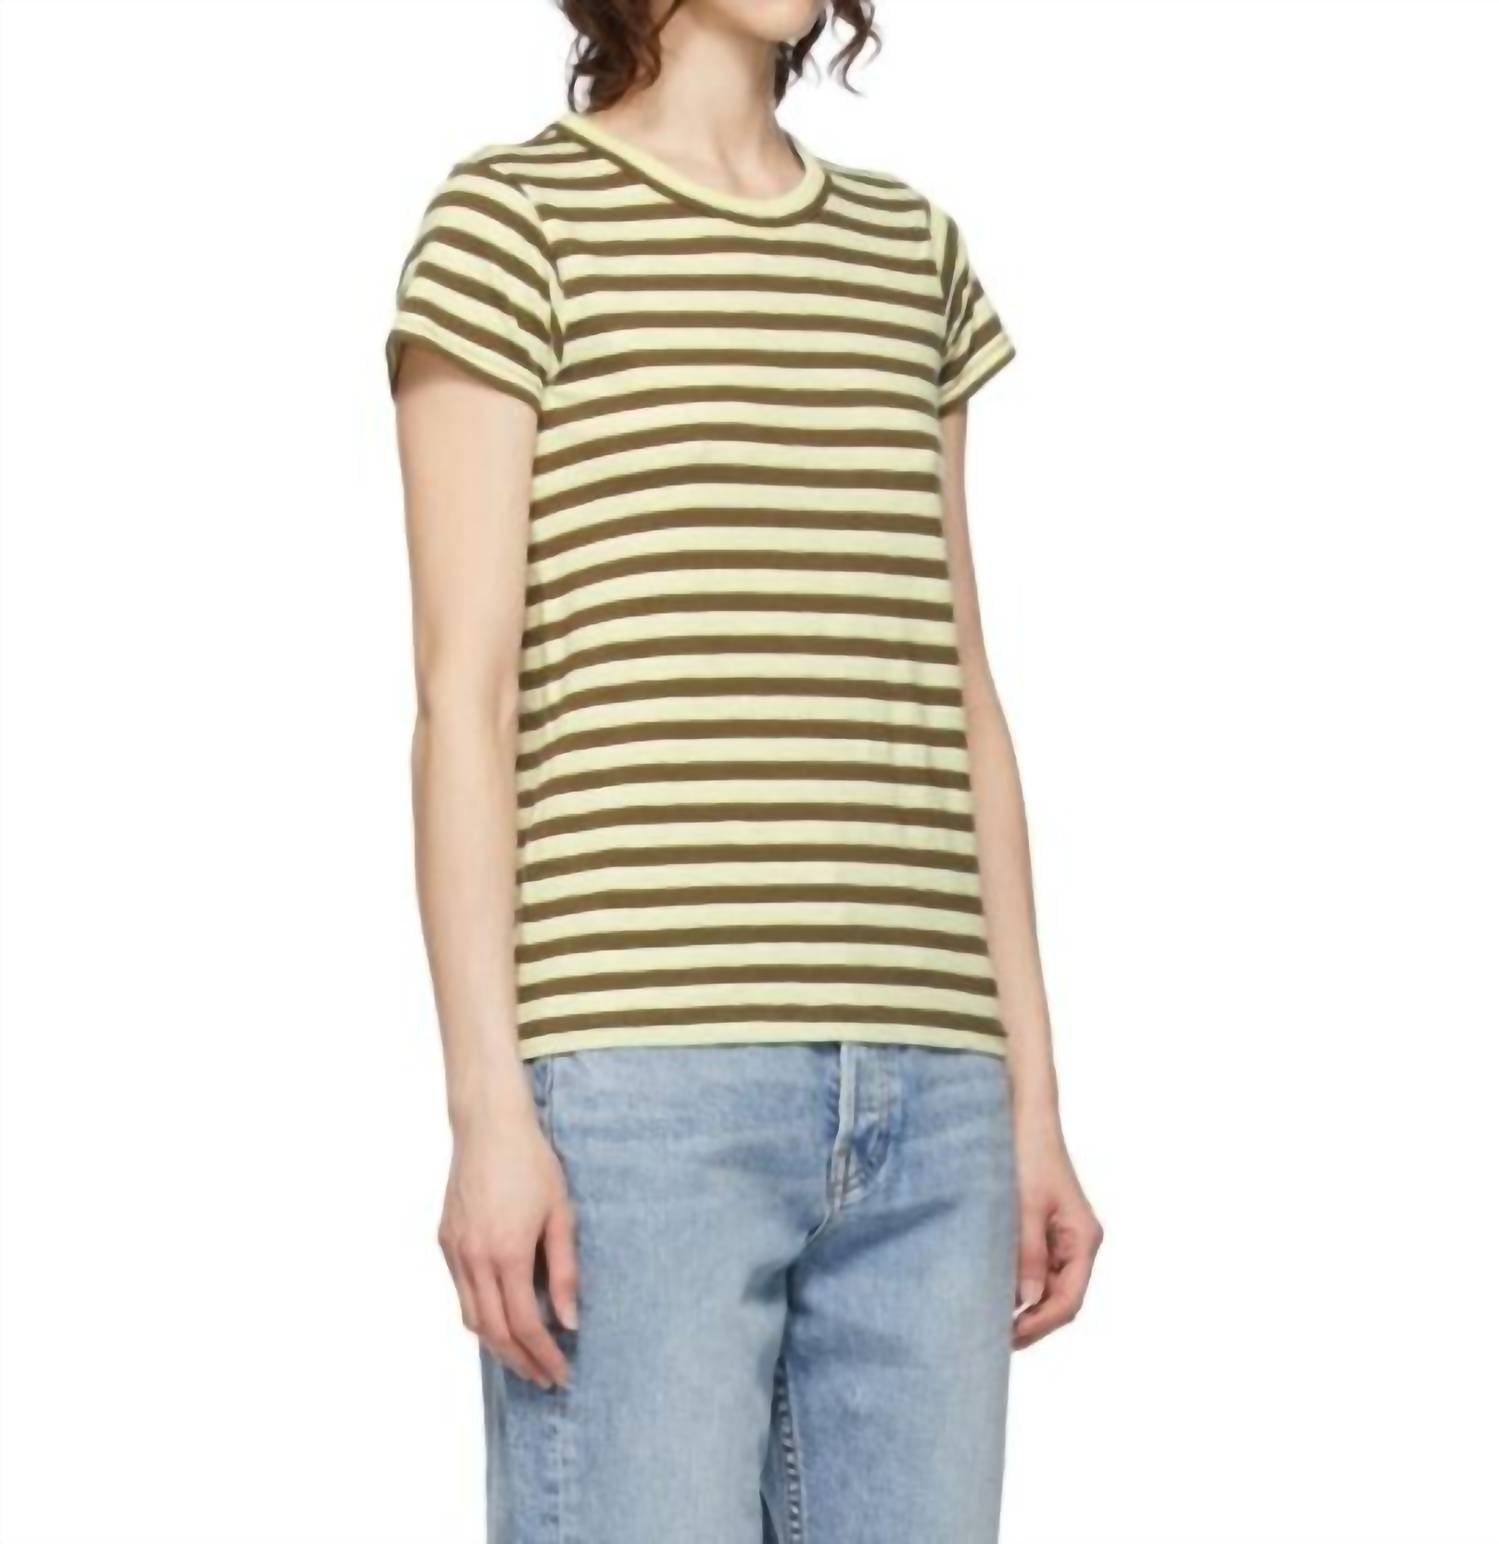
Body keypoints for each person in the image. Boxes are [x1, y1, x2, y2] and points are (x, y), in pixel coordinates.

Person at [387, 2, 1102, 1538]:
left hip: (932, 1094)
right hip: (645, 1093)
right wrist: (487, 1109)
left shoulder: (909, 253)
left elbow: (960, 694)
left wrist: (1031, 1101)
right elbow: (463, 693)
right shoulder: (514, 225)